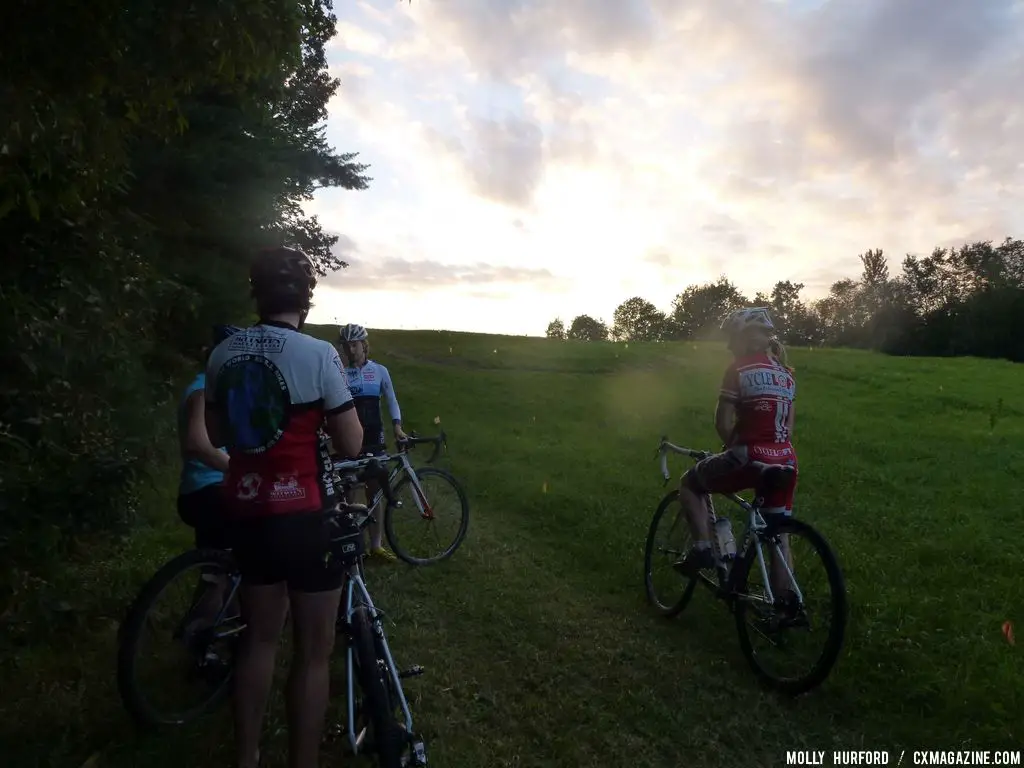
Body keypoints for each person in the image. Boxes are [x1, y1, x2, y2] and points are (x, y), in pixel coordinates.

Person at [204, 246, 364, 768]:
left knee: (258, 641)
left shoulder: (224, 354)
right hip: (308, 516)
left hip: (248, 515)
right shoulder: (317, 355)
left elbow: (215, 433)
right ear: (306, 298)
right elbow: (352, 444)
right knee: (313, 651)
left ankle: (246, 757)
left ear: (256, 292)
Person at [673, 307, 797, 598]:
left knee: (690, 484)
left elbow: (722, 422)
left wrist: (732, 449)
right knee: (779, 535)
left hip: (749, 457)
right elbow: (788, 430)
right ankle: (785, 606)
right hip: (786, 460)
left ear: (745, 338)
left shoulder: (738, 370)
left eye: (732, 338)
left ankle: (702, 549)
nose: (729, 346)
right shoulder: (787, 375)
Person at [335, 323, 408, 562]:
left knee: (374, 489)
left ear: (364, 345)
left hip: (374, 437)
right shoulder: (342, 374)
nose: (350, 350)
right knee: (351, 490)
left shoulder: (379, 371)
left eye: (354, 345)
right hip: (351, 437)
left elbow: (391, 399)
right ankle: (353, 544)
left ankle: (375, 546)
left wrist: (397, 425)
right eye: (346, 346)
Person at [177, 323, 241, 551]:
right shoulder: (202, 391)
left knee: (217, 570)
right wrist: (237, 468)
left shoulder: (212, 387)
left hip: (207, 489)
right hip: (209, 490)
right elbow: (196, 443)